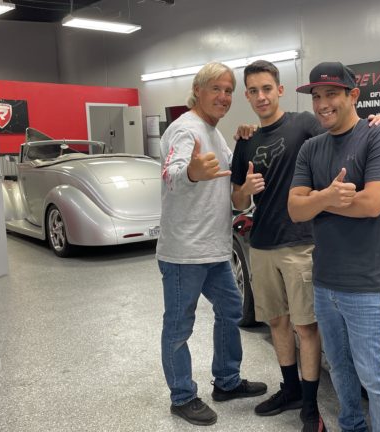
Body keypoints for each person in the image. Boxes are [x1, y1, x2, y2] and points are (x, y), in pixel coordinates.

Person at [231, 60, 380, 432]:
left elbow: (369, 196)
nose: (261, 96)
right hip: (266, 244)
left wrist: (376, 120)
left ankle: (309, 408)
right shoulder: (247, 139)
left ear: (280, 90)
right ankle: (292, 392)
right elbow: (247, 201)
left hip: (306, 249)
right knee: (279, 324)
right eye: (253, 91)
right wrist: (246, 192)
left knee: (313, 333)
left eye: (266, 88)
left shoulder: (306, 124)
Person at [288, 61, 380, 432]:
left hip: (367, 284)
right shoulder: (310, 149)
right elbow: (294, 210)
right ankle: (353, 427)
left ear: (353, 95)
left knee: (376, 378)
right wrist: (329, 196)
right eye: (316, 96)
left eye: (331, 94)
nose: (322, 104)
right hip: (325, 282)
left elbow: (373, 204)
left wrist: (317, 202)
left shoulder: (378, 136)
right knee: (338, 368)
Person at [156, 62, 267, 427]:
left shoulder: (216, 135)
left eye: (229, 90)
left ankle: (227, 380)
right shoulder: (185, 130)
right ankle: (183, 397)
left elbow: (233, 199)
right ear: (198, 90)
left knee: (231, 309)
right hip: (184, 252)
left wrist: (244, 192)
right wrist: (191, 172)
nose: (223, 96)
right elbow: (172, 173)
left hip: (215, 249)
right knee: (178, 326)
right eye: (216, 88)